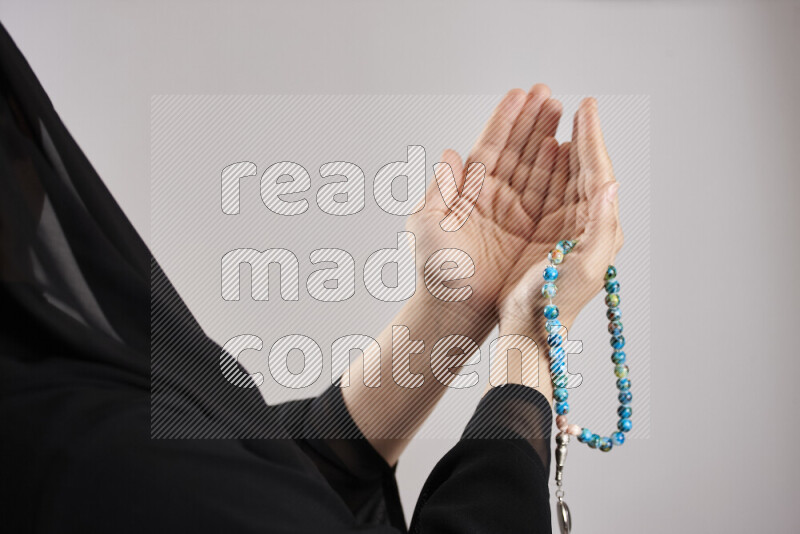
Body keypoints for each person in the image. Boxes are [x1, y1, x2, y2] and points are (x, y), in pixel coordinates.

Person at [0, 21, 622, 533]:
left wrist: (445, 319)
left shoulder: (49, 395)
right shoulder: (67, 453)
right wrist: (532, 347)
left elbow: (260, 481)